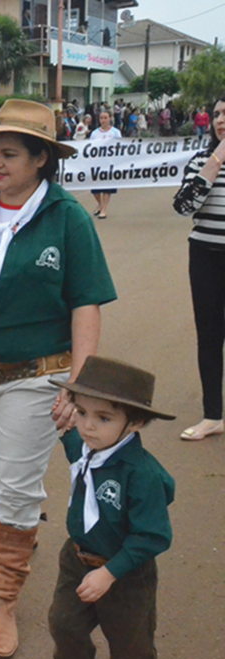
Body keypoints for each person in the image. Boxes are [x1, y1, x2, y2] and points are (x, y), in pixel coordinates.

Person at [0, 99, 117, 659]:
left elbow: (87, 304)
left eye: (9, 153)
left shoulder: (68, 217)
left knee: (13, 484)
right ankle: (11, 529)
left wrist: (78, 386)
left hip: (39, 376)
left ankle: (3, 599)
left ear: (41, 159)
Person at [43, 357, 174, 659]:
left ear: (136, 422)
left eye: (104, 418)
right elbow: (70, 435)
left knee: (131, 637)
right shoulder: (85, 446)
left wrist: (110, 573)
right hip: (77, 558)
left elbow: (153, 535)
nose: (88, 427)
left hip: (127, 571)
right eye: (82, 412)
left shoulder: (142, 475)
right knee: (63, 621)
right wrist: (63, 418)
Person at [172, 94, 225, 441]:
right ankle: (213, 415)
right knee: (209, 337)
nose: (221, 119)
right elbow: (183, 205)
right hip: (205, 255)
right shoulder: (201, 160)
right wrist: (215, 163)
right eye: (218, 114)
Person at [90, 111, 122, 220]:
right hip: (97, 164)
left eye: (105, 117)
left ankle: (104, 209)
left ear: (109, 119)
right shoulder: (94, 134)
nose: (103, 120)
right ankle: (100, 204)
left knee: (107, 188)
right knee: (95, 189)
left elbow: (120, 147)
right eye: (101, 117)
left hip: (110, 163)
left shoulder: (115, 132)